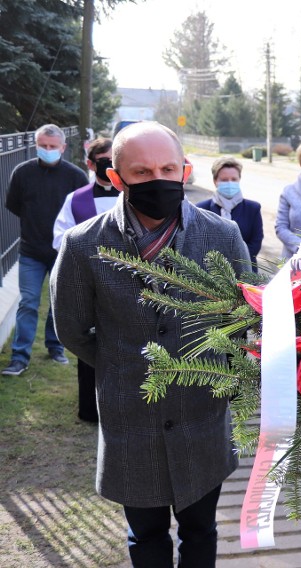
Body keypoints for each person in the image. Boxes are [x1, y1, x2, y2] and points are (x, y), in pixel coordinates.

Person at [49, 121, 250, 567]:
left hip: (202, 414)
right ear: (116, 178)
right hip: (131, 419)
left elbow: (241, 317)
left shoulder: (222, 235)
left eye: (167, 167)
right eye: (140, 172)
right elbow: (72, 329)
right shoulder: (84, 245)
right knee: (146, 536)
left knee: (201, 531)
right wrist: (124, 365)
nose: (156, 179)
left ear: (185, 170)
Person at [2, 124, 89, 376]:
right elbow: (15, 205)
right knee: (28, 302)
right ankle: (19, 357)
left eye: (53, 147)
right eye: (43, 146)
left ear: (63, 147)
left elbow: (81, 213)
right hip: (30, 250)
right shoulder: (22, 173)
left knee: (58, 302)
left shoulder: (75, 177)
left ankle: (55, 347)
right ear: (36, 145)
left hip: (62, 251)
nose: (48, 150)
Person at [51, 137, 119, 422]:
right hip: (90, 281)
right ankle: (90, 408)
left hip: (129, 281)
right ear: (90, 164)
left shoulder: (137, 194)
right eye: (103, 161)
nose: (108, 166)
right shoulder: (76, 200)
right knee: (90, 340)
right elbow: (59, 237)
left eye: (113, 160)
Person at [195, 156, 264, 270]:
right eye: (224, 180)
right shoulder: (201, 209)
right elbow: (198, 245)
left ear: (239, 180)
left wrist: (235, 262)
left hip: (246, 273)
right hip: (210, 274)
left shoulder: (253, 209)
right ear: (215, 181)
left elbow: (255, 244)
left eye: (233, 179)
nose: (230, 183)